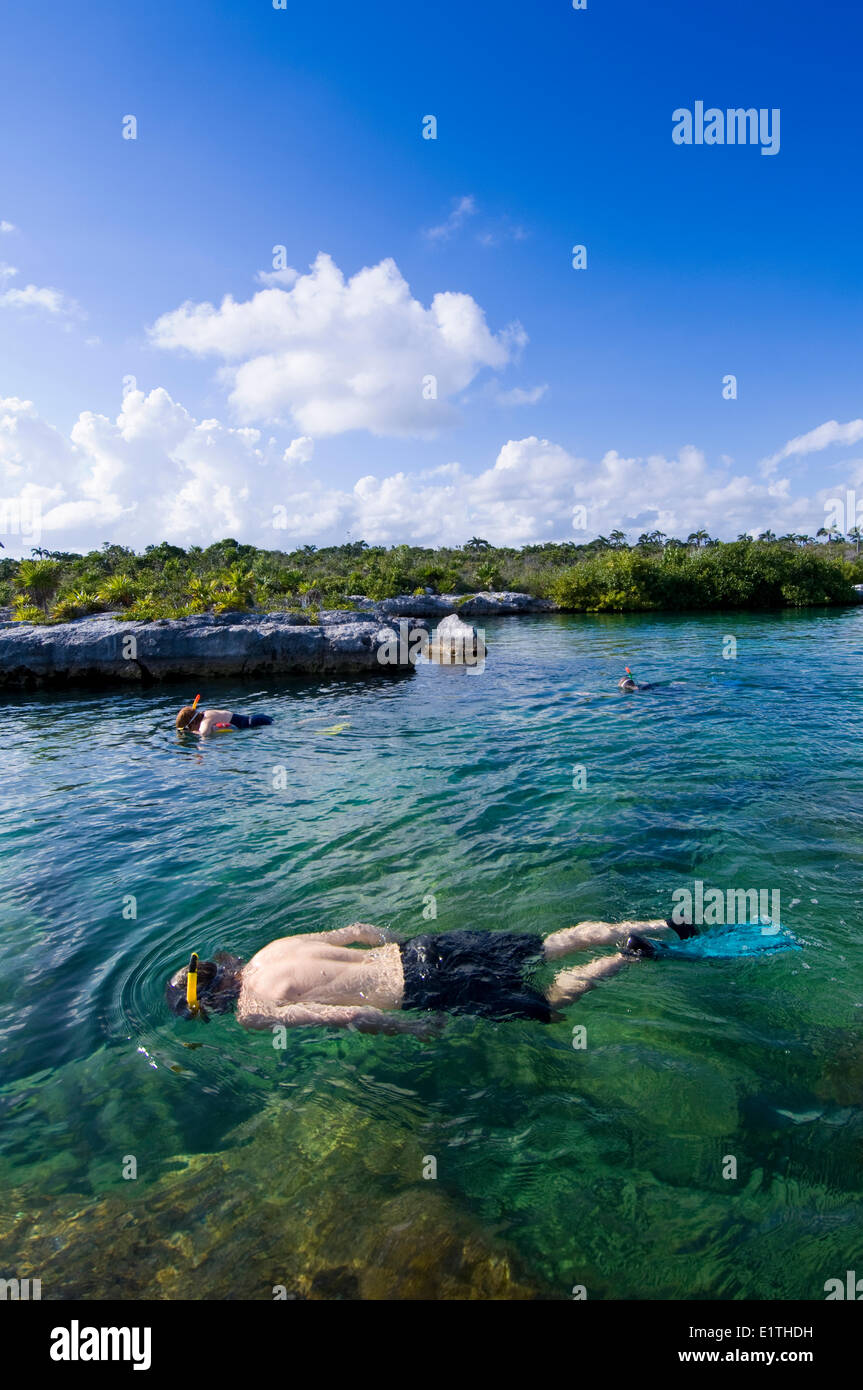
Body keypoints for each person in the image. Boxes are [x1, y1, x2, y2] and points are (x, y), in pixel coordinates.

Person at [165, 919, 686, 1035]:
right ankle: (655, 923)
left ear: (207, 1001)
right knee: (546, 945)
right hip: (419, 950)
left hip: (423, 990)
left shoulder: (253, 1011)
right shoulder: (271, 948)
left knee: (548, 1008)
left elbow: (349, 1013)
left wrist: (412, 1028)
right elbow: (359, 929)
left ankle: (627, 957)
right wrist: (396, 942)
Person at [176, 704, 273, 736]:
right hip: (256, 719)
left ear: (192, 722)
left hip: (255, 723)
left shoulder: (206, 720)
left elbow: (204, 734)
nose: (191, 728)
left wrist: (191, 732)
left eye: (189, 726)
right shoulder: (206, 713)